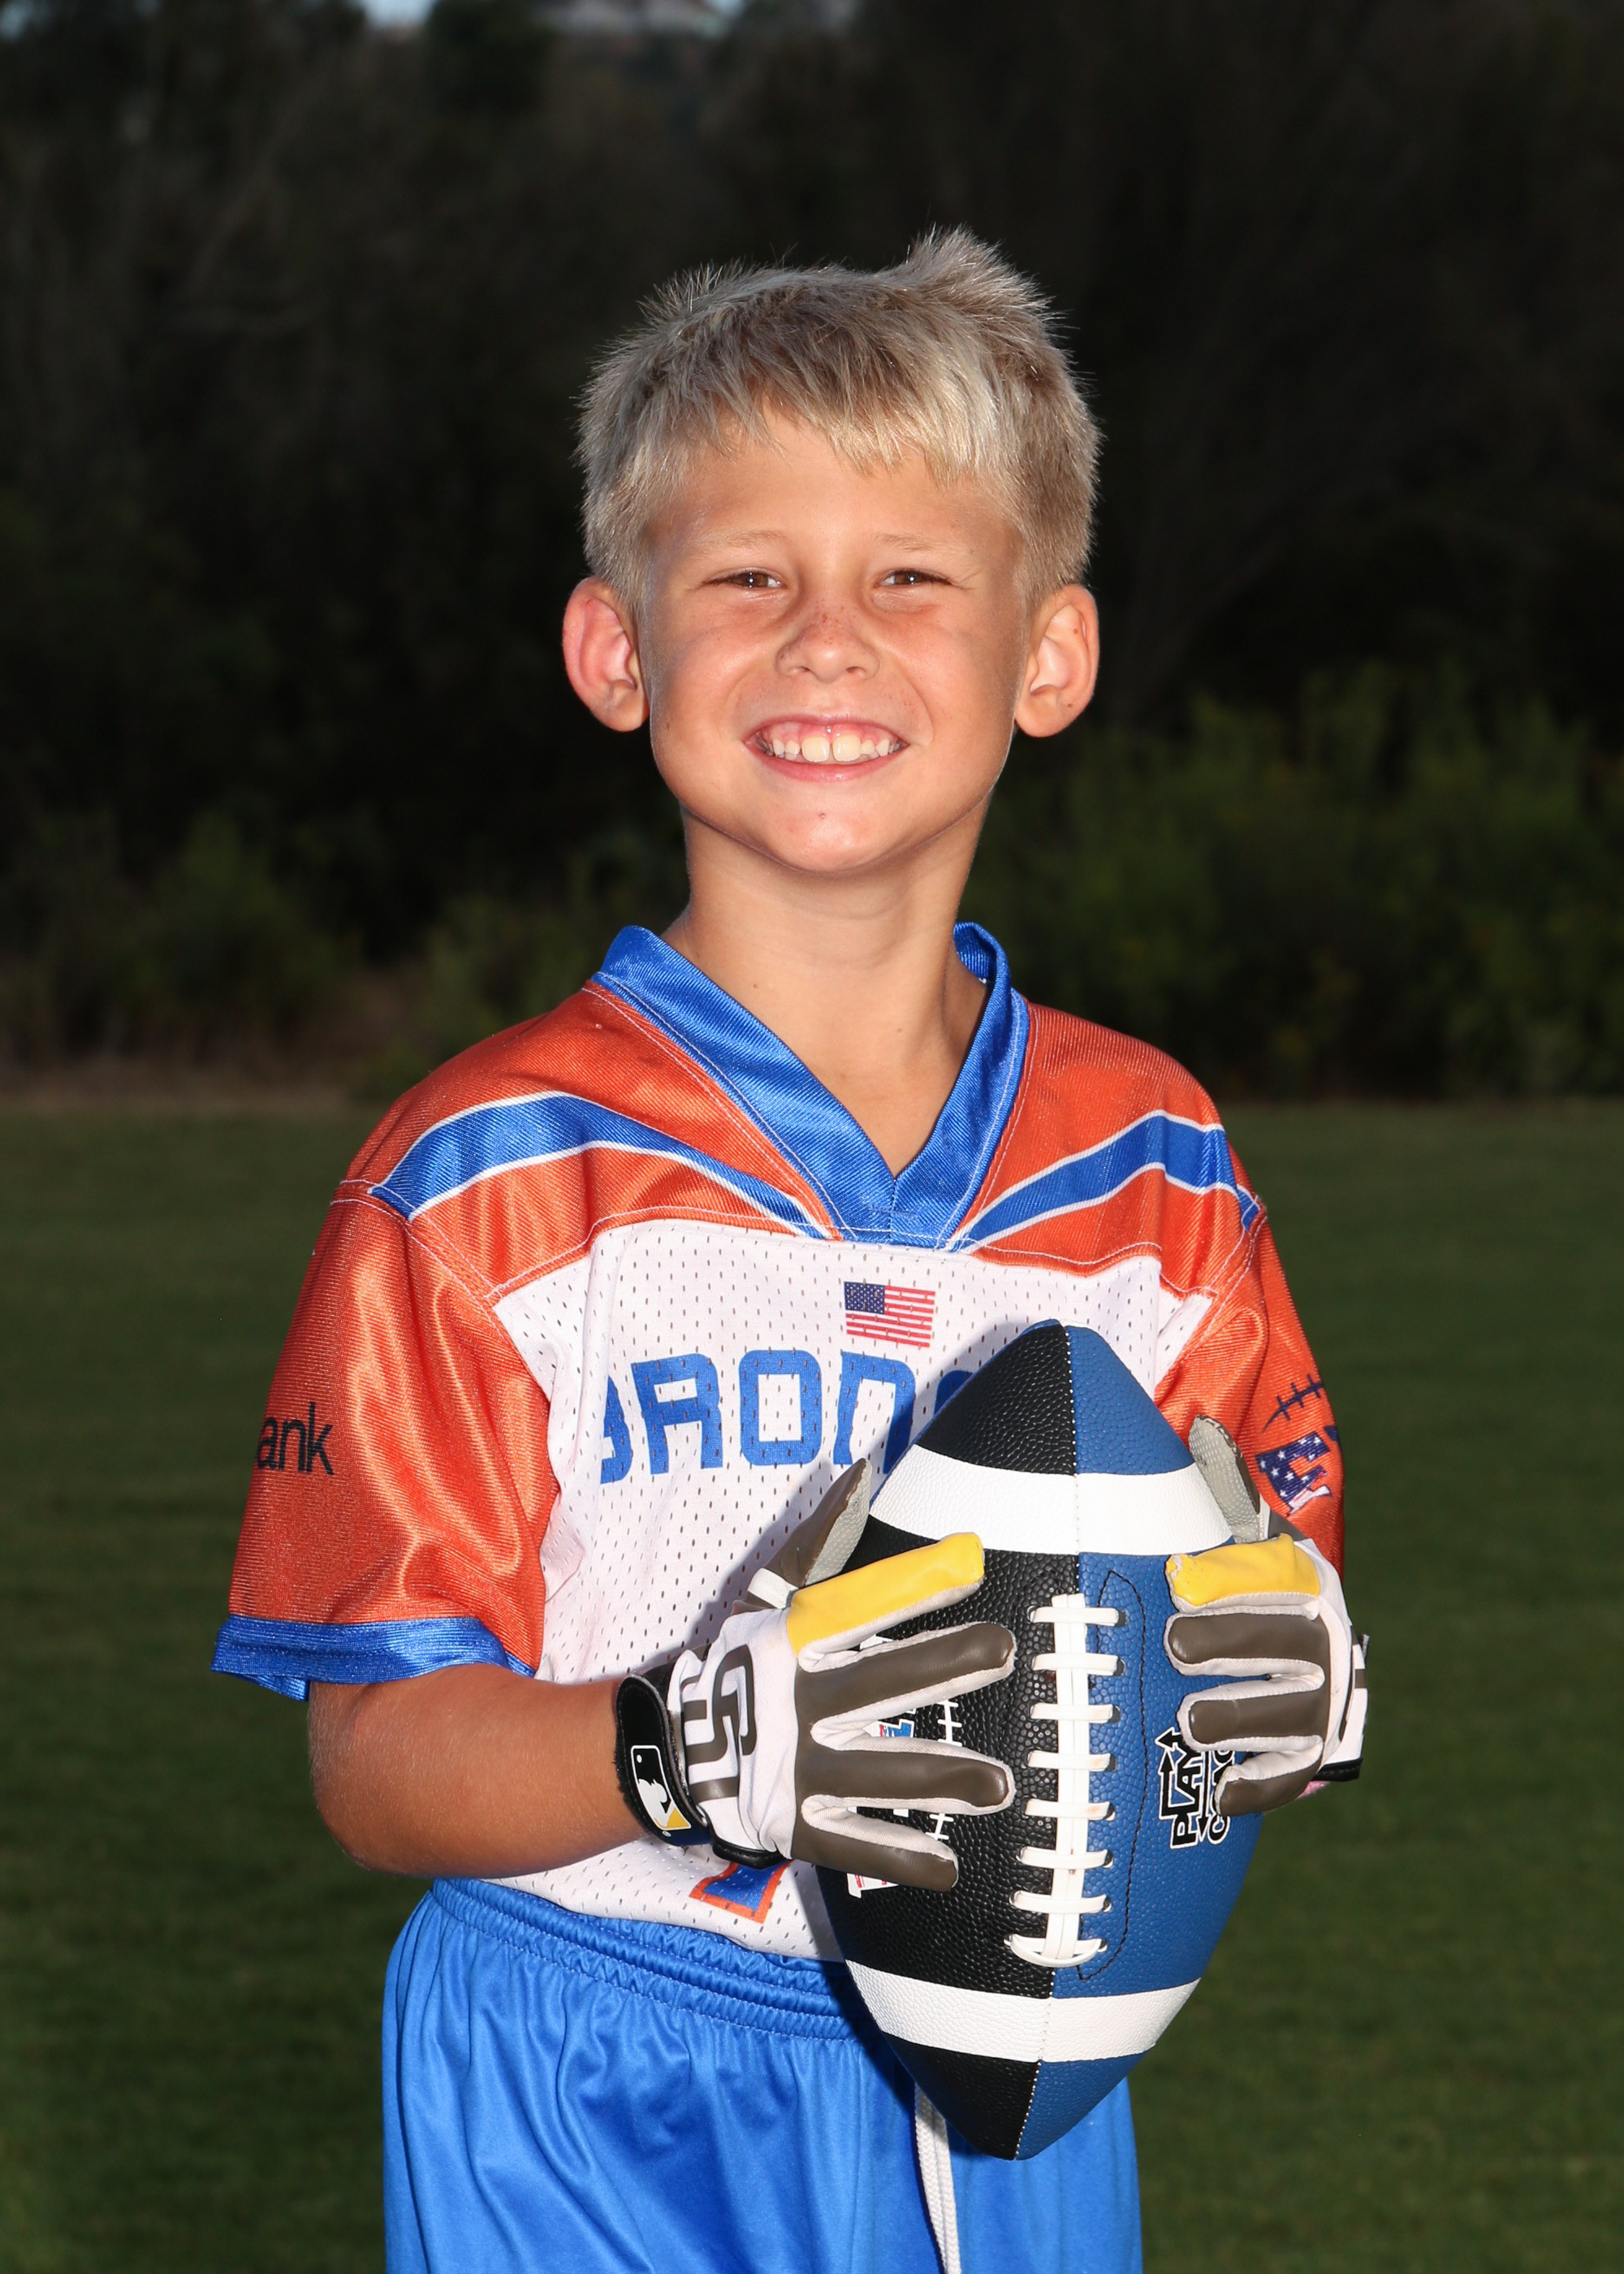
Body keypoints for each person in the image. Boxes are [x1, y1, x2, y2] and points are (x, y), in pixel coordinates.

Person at [214, 232, 1355, 2274]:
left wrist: (1279, 1693)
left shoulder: (1156, 1166)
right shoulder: (481, 1173)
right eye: (749, 575)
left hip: (1018, 2061)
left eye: (910, 576)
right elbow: (373, 1760)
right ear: (615, 648)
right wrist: (689, 1745)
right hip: (584, 2070)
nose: (828, 639)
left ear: (1050, 654)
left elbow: (1235, 1638)